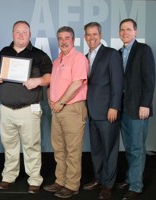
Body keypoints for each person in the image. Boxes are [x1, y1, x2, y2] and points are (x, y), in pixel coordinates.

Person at [0, 20, 52, 194]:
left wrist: (38, 81)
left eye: (24, 32)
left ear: (30, 34)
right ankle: (8, 176)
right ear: (12, 34)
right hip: (6, 109)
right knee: (9, 145)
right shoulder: (4, 52)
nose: (20, 35)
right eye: (17, 32)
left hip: (29, 109)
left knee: (32, 145)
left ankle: (34, 179)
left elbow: (49, 77)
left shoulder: (40, 55)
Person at [43, 26, 88, 198]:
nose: (63, 41)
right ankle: (60, 180)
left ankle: (72, 184)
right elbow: (52, 85)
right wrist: (50, 99)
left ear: (73, 40)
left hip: (72, 109)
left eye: (67, 38)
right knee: (59, 148)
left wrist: (61, 102)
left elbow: (77, 83)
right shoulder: (57, 61)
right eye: (60, 38)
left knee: (73, 149)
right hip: (57, 109)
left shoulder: (78, 58)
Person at [82, 22, 124, 200]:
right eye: (88, 35)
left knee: (109, 149)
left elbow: (118, 82)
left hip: (108, 112)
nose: (92, 38)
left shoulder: (111, 54)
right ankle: (99, 178)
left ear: (100, 35)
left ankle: (108, 184)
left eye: (95, 34)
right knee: (97, 150)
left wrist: (114, 106)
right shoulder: (84, 57)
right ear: (85, 37)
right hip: (91, 112)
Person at [116, 18, 156, 200]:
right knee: (130, 147)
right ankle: (130, 177)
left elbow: (149, 79)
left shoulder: (143, 50)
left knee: (137, 148)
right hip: (123, 108)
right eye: (122, 30)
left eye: (128, 29)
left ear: (136, 32)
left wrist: (146, 104)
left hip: (139, 108)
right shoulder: (118, 53)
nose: (125, 33)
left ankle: (136, 186)